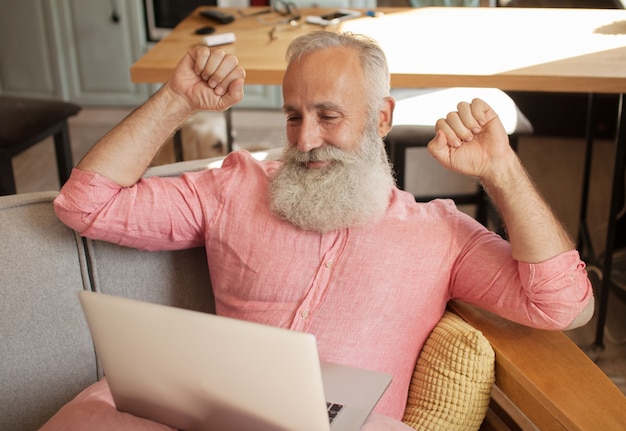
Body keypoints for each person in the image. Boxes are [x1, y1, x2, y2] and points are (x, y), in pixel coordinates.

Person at [43, 31, 593, 430]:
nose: (305, 140)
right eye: (292, 116)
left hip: (345, 427)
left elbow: (564, 305)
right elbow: (85, 205)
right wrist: (177, 101)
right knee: (91, 412)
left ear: (381, 118)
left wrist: (503, 173)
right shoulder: (235, 186)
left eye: (329, 117)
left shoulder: (440, 233)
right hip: (213, 408)